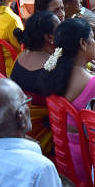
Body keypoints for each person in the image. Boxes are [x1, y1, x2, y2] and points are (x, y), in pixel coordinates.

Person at [43, 17, 95, 187]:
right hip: (87, 163)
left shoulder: (53, 72)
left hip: (64, 155)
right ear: (82, 43)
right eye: (92, 38)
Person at [9, 10, 59, 154]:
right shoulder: (52, 67)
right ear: (50, 37)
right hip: (44, 136)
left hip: (21, 128)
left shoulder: (21, 56)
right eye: (59, 28)